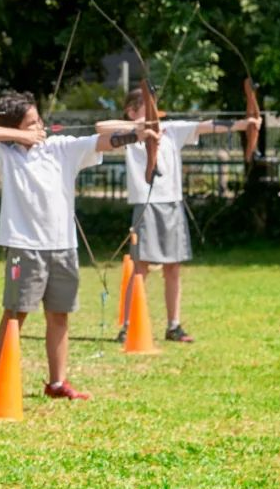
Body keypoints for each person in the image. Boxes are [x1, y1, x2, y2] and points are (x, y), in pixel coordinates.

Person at [0, 91, 158, 402]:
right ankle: (0, 379)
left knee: (59, 315)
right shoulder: (6, 157)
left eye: (39, 120)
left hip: (63, 247)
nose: (40, 127)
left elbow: (102, 142)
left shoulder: (61, 148)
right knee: (15, 314)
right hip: (23, 247)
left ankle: (58, 383)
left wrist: (139, 133)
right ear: (16, 127)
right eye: (32, 122)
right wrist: (22, 136)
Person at [97, 88, 262, 342]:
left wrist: (246, 124)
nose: (156, 113)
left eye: (155, 108)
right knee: (141, 267)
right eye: (147, 107)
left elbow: (208, 125)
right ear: (131, 111)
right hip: (146, 204)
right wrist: (141, 125)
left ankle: (174, 326)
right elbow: (101, 127)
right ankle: (129, 326)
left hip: (172, 203)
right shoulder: (129, 133)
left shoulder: (171, 130)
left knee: (173, 267)